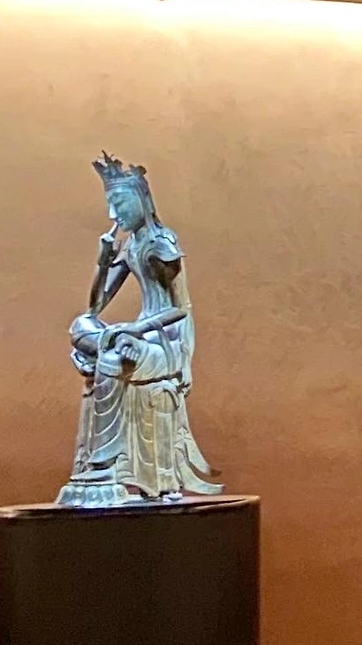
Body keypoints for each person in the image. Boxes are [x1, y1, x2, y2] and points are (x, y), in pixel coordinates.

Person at [55, 152, 221, 506]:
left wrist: (135, 329)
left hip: (165, 342)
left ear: (141, 199)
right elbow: (95, 306)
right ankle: (110, 347)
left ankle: (104, 463)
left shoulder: (162, 244)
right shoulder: (131, 245)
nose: (113, 214)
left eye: (119, 202)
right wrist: (103, 260)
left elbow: (180, 308)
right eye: (109, 204)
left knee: (113, 359)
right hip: (139, 336)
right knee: (80, 326)